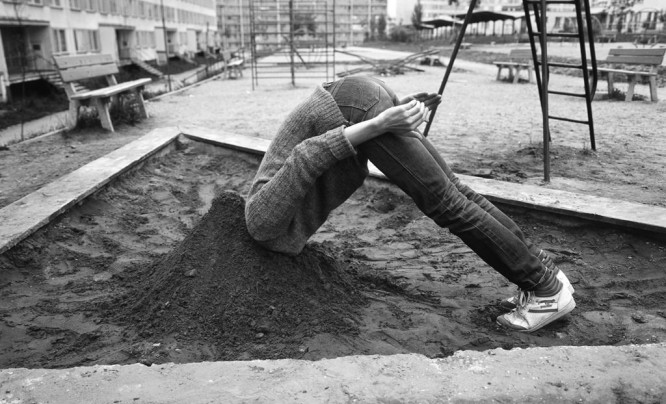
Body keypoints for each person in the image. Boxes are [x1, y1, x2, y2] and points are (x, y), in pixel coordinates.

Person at [244, 75, 575, 333]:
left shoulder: (261, 224)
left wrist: (380, 123)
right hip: (357, 98)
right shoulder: (268, 216)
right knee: (456, 193)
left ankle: (543, 287)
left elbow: (305, 157)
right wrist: (384, 111)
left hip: (350, 111)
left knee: (446, 203)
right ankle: (543, 272)